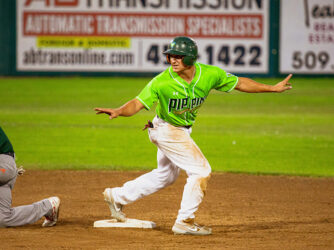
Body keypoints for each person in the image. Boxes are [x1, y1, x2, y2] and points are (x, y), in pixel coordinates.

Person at [95, 36, 292, 235]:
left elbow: (240, 83)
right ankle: (185, 221)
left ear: (190, 58)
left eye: (179, 56)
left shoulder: (209, 74)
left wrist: (272, 88)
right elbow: (137, 103)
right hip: (166, 130)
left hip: (179, 130)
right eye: (171, 56)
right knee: (201, 170)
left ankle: (117, 196)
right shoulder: (162, 82)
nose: (173, 60)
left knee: (166, 176)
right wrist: (119, 111)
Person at [0, 126, 60, 228]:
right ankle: (48, 206)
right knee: (2, 219)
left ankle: (9, 172)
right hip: (5, 172)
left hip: (3, 164)